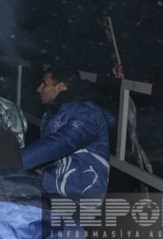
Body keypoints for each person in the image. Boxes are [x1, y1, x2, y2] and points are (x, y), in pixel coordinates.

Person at [21, 67, 115, 199]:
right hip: (58, 188)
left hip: (79, 196)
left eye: (44, 84)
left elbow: (62, 142)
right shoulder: (55, 111)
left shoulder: (86, 113)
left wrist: (17, 159)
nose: (39, 89)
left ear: (60, 87)